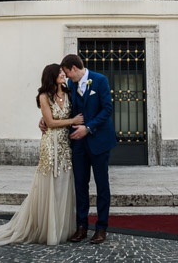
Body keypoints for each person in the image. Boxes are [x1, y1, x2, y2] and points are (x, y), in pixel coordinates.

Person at [0, 63, 83, 247]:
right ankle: (46, 228)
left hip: (66, 145)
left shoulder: (68, 93)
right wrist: (71, 121)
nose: (63, 74)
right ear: (51, 76)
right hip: (50, 144)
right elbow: (50, 122)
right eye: (59, 72)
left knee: (63, 183)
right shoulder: (44, 97)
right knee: (49, 182)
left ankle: (61, 228)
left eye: (63, 72)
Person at [60, 53, 117, 245]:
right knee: (80, 185)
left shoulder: (100, 80)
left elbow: (107, 109)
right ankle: (82, 227)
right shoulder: (72, 85)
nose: (68, 77)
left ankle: (101, 228)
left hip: (99, 141)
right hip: (79, 145)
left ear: (74, 68)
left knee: (102, 186)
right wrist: (46, 119)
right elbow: (65, 107)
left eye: (68, 73)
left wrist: (89, 128)